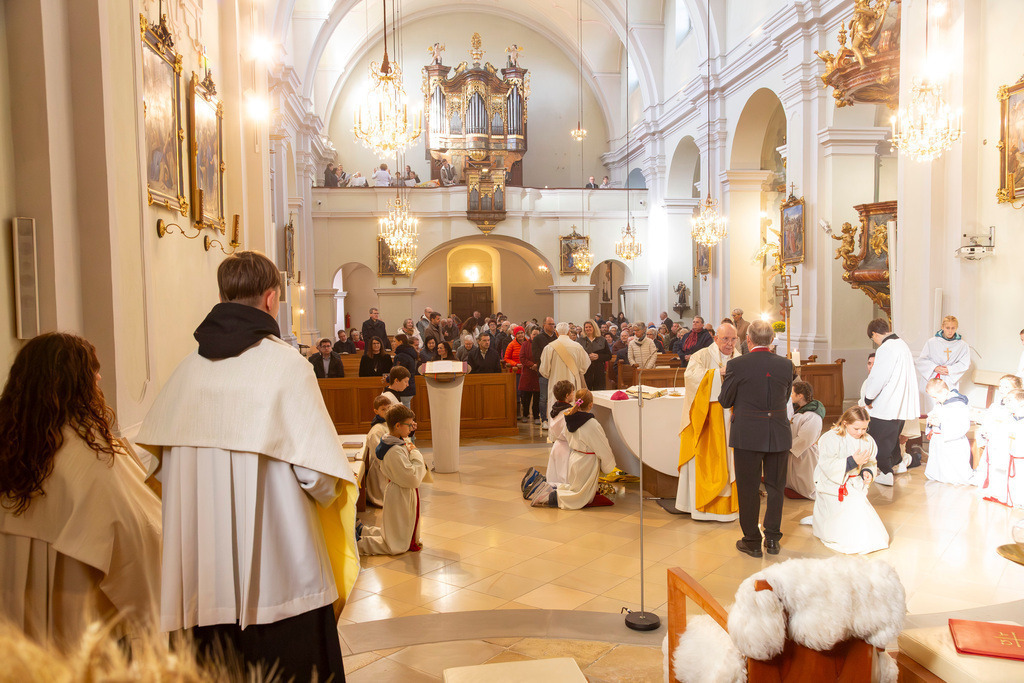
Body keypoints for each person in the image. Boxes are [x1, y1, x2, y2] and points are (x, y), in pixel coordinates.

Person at [135, 251, 356, 681]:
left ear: (221, 296)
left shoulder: (185, 372)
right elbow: (319, 479)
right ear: (272, 300)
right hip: (281, 577)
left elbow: (159, 470)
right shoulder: (288, 368)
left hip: (200, 576)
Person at [0, 333, 162, 651]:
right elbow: (140, 535)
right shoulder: (93, 454)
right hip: (82, 625)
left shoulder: (9, 447)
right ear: (72, 383)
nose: (99, 377)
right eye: (92, 370)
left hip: (14, 623)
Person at [719, 320, 794, 558]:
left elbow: (725, 400)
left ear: (748, 339)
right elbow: (785, 395)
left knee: (748, 488)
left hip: (747, 434)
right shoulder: (786, 364)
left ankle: (752, 540)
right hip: (778, 432)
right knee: (775, 487)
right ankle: (772, 539)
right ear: (772, 340)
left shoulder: (737, 365)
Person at [673, 323, 741, 522]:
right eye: (725, 339)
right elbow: (690, 378)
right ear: (716, 338)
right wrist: (716, 374)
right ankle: (702, 507)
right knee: (705, 459)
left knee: (731, 463)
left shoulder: (740, 358)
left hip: (732, 418)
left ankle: (729, 506)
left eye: (733, 339)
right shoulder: (701, 356)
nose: (730, 343)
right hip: (707, 417)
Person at [811, 406, 889, 554]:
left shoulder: (868, 440)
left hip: (855, 483)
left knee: (862, 514)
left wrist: (867, 472)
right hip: (833, 484)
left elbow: (871, 462)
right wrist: (852, 461)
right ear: (845, 423)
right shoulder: (830, 438)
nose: (861, 433)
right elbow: (827, 465)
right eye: (856, 428)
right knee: (852, 510)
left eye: (864, 428)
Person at [522, 389, 616, 509]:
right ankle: (549, 497)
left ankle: (543, 483)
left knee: (573, 487)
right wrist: (608, 465)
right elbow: (602, 446)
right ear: (591, 405)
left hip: (574, 458)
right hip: (586, 463)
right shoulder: (592, 424)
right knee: (580, 496)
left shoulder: (569, 417)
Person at [357, 404, 431, 555]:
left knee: (397, 529)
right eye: (409, 425)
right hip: (400, 494)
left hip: (400, 491)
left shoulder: (392, 440)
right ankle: (357, 543)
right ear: (397, 425)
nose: (411, 428)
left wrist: (410, 445)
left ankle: (363, 530)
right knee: (395, 543)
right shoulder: (394, 451)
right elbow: (413, 479)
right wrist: (416, 453)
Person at [861, 317, 920, 486]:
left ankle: (886, 472)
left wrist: (869, 397)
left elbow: (879, 377)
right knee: (892, 439)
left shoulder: (886, 348)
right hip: (900, 404)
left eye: (873, 339)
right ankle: (898, 464)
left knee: (880, 440)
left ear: (874, 334)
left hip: (887, 405)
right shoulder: (901, 344)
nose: (875, 342)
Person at [923, 378, 973, 485]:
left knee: (954, 473)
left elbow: (962, 426)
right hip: (939, 440)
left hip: (952, 442)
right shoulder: (941, 402)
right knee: (938, 466)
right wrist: (930, 421)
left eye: (935, 396)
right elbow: (934, 414)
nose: (935, 400)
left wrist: (940, 424)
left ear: (944, 392)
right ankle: (938, 476)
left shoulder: (959, 405)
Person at [540, 322, 591, 426]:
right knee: (572, 409)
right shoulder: (577, 347)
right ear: (568, 332)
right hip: (572, 384)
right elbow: (584, 367)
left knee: (555, 408)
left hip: (556, 385)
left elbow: (544, 370)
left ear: (556, 333)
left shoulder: (549, 347)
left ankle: (555, 435)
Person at [981, 389, 1024, 506]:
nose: (1006, 403)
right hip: (1010, 455)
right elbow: (1002, 435)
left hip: (1020, 457)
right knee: (1011, 480)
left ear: (1021, 402)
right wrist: (991, 435)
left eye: (1010, 400)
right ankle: (1012, 499)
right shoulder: (1009, 419)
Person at [916, 316, 971, 408]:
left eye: (953, 328)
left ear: (956, 328)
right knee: (930, 405)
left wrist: (950, 369)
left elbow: (965, 363)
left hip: (949, 377)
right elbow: (922, 360)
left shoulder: (962, 345)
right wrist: (935, 367)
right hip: (932, 376)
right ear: (942, 327)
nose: (950, 331)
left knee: (948, 405)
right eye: (947, 328)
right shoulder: (932, 342)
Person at [786, 380, 825, 500]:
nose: (790, 396)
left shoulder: (813, 415)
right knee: (793, 477)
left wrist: (789, 447)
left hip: (805, 452)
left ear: (800, 396)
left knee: (805, 480)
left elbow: (806, 438)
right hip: (794, 449)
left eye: (792, 393)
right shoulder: (798, 408)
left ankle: (805, 491)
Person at [363, 395, 394, 507]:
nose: (387, 411)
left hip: (392, 461)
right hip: (381, 466)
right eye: (383, 409)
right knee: (386, 499)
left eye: (389, 408)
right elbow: (379, 454)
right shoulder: (376, 430)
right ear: (376, 411)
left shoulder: (390, 423)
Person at [545, 381, 578, 485]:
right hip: (566, 448)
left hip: (557, 446)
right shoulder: (568, 413)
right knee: (565, 478)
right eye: (572, 392)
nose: (574, 394)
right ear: (567, 396)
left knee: (554, 476)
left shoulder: (555, 409)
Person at [533, 317, 559, 428]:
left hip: (557, 371)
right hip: (544, 372)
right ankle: (544, 419)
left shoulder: (558, 338)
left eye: (553, 324)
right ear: (544, 325)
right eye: (550, 324)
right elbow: (536, 355)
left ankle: (556, 419)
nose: (552, 326)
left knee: (556, 396)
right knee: (544, 397)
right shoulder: (538, 338)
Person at [580, 320, 612, 390]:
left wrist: (598, 356)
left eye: (590, 327)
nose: (588, 329)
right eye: (586, 327)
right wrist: (587, 357)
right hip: (586, 370)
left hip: (599, 370)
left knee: (599, 390)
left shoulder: (602, 340)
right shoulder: (580, 340)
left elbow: (609, 356)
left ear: (594, 328)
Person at [503, 326, 527, 418]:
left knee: (525, 393)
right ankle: (517, 413)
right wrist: (515, 364)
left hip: (526, 372)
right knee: (517, 392)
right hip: (516, 372)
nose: (520, 335)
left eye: (522, 333)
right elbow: (506, 358)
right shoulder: (511, 344)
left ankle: (526, 412)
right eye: (518, 333)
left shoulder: (528, 343)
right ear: (515, 335)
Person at [519, 328, 542, 424]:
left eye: (537, 334)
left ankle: (536, 416)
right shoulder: (525, 344)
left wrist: (537, 364)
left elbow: (544, 356)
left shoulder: (541, 345)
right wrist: (531, 365)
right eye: (533, 334)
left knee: (537, 398)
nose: (535, 336)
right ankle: (525, 414)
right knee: (526, 397)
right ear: (530, 335)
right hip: (528, 373)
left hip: (537, 373)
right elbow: (522, 357)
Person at [391, 335, 419, 407]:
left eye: (394, 341)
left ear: (400, 342)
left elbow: (398, 372)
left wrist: (388, 379)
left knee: (403, 412)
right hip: (408, 387)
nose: (392, 343)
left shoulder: (401, 356)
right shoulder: (409, 352)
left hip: (403, 388)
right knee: (405, 408)